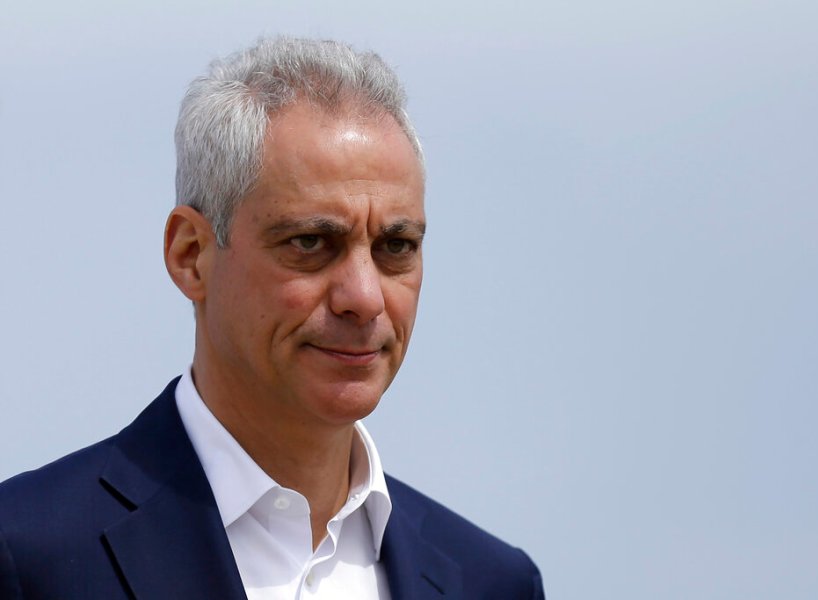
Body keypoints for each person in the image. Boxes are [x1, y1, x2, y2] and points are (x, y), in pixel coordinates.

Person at [0, 36, 544, 599]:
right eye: (310, 242)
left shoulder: (493, 583)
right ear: (191, 255)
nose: (364, 297)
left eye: (396, 246)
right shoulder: (27, 556)